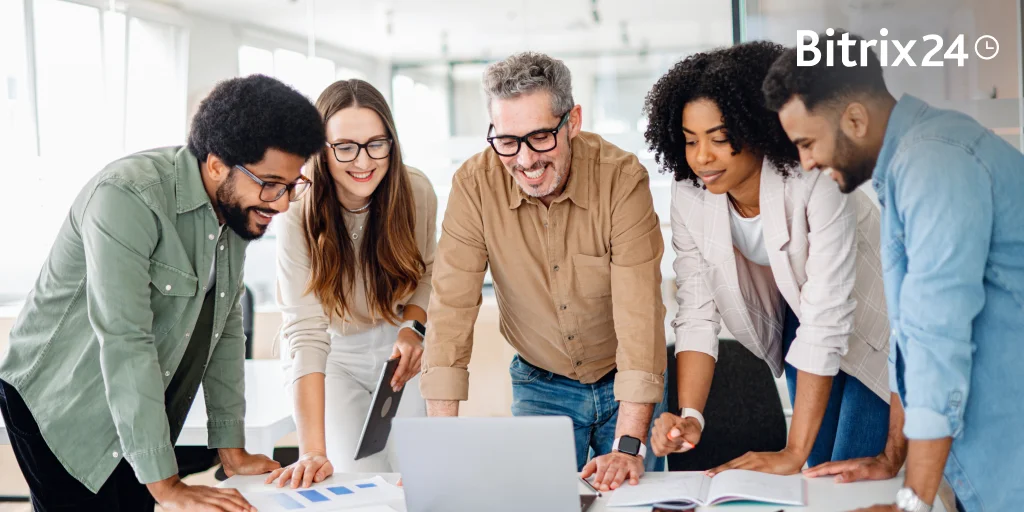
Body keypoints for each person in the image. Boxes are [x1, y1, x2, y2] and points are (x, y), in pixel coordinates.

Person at [0, 74, 325, 511]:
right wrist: (167, 485)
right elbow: (124, 339)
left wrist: (230, 448)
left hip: (134, 404)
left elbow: (225, 329)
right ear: (215, 165)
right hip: (63, 401)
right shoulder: (127, 197)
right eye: (270, 183)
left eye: (291, 186)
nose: (283, 203)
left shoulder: (233, 212)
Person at [762, 30, 1024, 512]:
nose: (806, 162)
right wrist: (890, 456)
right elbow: (909, 335)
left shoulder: (934, 165)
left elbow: (936, 341)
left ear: (855, 119)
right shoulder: (905, 167)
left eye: (807, 142)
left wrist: (913, 503)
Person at [419, 51, 668, 493]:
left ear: (572, 121)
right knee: (539, 502)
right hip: (541, 382)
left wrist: (629, 444)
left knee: (637, 499)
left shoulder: (621, 179)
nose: (525, 160)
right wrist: (441, 443)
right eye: (507, 141)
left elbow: (639, 314)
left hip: (625, 382)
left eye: (539, 137)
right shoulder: (474, 186)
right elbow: (451, 310)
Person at [644, 41, 891, 475]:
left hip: (873, 327)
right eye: (689, 141)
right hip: (802, 321)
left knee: (847, 471)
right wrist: (691, 416)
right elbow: (698, 312)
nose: (702, 157)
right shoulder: (690, 195)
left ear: (757, 128)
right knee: (819, 470)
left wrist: (791, 453)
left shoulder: (813, 177)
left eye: (720, 139)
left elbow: (828, 318)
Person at [268, 79, 435, 488]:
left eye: (376, 143)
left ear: (391, 144)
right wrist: (311, 451)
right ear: (320, 151)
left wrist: (413, 329)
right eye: (345, 146)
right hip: (332, 354)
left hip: (397, 350)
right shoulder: (296, 211)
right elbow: (305, 332)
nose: (363, 161)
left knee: (413, 479)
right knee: (360, 481)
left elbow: (428, 272)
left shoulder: (415, 191)